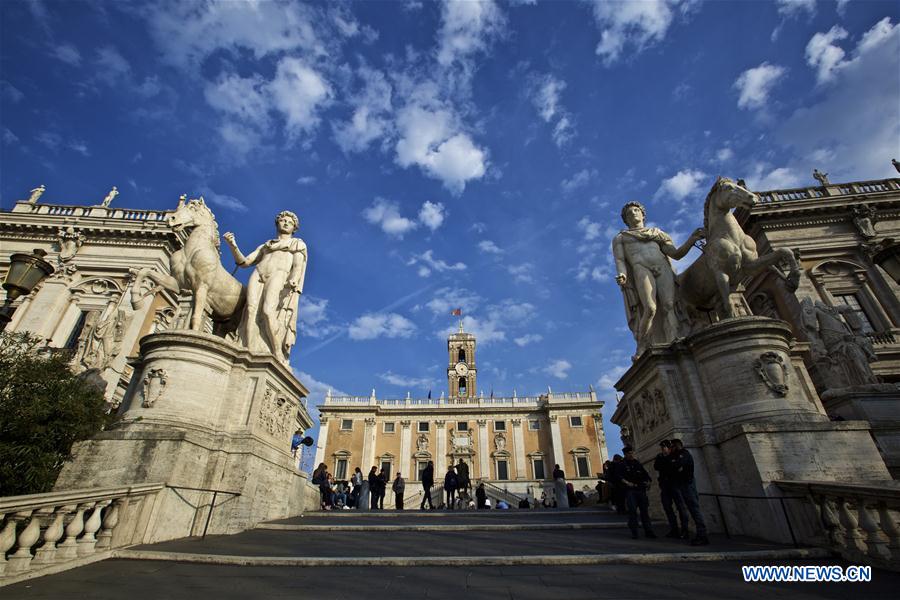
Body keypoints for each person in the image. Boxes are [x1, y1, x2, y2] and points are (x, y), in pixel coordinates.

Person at [612, 201, 704, 357]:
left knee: (669, 305)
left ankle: (676, 340)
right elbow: (620, 260)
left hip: (662, 267)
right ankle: (642, 346)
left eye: (636, 210)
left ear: (642, 214)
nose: (633, 213)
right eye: (629, 213)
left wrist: (691, 240)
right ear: (626, 220)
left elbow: (675, 254)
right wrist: (623, 274)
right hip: (641, 269)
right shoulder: (621, 238)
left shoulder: (657, 233)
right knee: (650, 308)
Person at [223, 211, 308, 364]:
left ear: (294, 227)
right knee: (250, 310)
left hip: (279, 275)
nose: (286, 223)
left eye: (290, 222)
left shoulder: (297, 243)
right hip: (258, 273)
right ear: (277, 223)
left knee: (268, 312)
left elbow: (297, 266)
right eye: (283, 220)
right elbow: (244, 263)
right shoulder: (266, 245)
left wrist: (294, 279)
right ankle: (247, 348)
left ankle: (277, 352)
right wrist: (233, 245)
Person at [670, 439, 709, 545]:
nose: (670, 449)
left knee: (694, 509)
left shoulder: (684, 454)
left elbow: (676, 466)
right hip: (683, 485)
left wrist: (675, 465)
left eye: (672, 447)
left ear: (676, 446)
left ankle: (702, 535)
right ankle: (701, 534)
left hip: (687, 484)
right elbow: (673, 467)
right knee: (692, 509)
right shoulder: (677, 456)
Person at [613, 446, 656, 539]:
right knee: (632, 511)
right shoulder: (622, 464)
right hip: (630, 491)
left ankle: (648, 530)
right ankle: (634, 531)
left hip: (640, 489)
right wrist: (627, 483)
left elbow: (645, 475)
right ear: (625, 454)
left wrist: (648, 481)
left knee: (644, 511)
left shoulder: (637, 463)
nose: (631, 455)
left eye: (632, 453)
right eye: (629, 453)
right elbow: (619, 477)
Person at [654, 440, 689, 539]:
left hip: (675, 485)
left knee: (681, 507)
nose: (663, 449)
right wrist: (668, 464)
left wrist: (668, 464)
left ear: (669, 447)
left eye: (664, 447)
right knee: (667, 507)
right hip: (665, 485)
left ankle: (684, 530)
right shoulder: (660, 457)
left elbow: (676, 466)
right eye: (662, 448)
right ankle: (674, 529)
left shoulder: (675, 455)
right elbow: (656, 466)